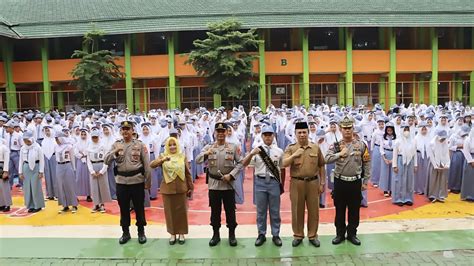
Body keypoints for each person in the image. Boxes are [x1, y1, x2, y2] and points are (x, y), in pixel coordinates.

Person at [196, 122, 243, 247]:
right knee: (215, 211)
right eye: (219, 131)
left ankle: (232, 235)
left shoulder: (233, 147)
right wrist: (206, 153)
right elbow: (197, 159)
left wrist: (231, 175)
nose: (221, 134)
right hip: (214, 185)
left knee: (230, 211)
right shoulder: (209, 147)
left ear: (227, 133)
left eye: (223, 131)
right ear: (215, 133)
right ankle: (215, 234)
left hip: (228, 184)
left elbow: (241, 163)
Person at [104, 121, 151, 245]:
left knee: (139, 208)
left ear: (132, 130)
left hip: (137, 181)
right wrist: (115, 152)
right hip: (121, 182)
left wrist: (148, 182)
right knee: (124, 208)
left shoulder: (140, 145)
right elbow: (106, 160)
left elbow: (147, 165)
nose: (125, 131)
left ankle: (141, 232)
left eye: (127, 129)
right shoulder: (116, 145)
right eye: (123, 129)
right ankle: (125, 233)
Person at [325, 116, 370, 246]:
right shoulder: (337, 145)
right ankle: (340, 234)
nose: (347, 131)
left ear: (353, 128)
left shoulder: (361, 145)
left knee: (354, 210)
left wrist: (366, 181)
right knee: (339, 209)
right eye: (344, 128)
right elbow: (326, 158)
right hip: (340, 182)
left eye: (349, 128)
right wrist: (339, 154)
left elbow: (366, 163)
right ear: (340, 129)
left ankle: (352, 234)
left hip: (355, 182)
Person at [282, 121, 325, 248]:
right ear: (295, 134)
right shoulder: (291, 148)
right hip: (297, 183)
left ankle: (312, 235)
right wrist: (295, 155)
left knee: (314, 211)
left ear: (308, 133)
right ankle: (298, 235)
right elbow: (284, 163)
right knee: (296, 210)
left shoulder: (315, 147)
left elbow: (321, 165)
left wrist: (322, 182)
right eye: (299, 132)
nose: (302, 135)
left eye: (304, 132)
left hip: (313, 182)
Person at [241, 125, 285, 247]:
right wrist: (251, 153)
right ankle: (261, 234)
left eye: (270, 134)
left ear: (273, 136)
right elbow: (244, 164)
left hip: (274, 182)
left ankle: (276, 234)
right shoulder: (257, 150)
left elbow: (282, 168)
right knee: (261, 211)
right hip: (260, 182)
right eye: (265, 135)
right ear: (262, 136)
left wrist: (282, 185)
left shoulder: (279, 151)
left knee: (275, 211)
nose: (268, 137)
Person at [150, 137, 194, 245]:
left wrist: (190, 187)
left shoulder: (182, 156)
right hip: (168, 189)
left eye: (174, 144)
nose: (172, 147)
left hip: (181, 188)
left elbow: (187, 173)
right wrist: (162, 160)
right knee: (169, 212)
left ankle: (182, 233)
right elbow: (152, 165)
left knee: (182, 212)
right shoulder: (163, 156)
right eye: (170, 145)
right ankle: (172, 233)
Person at [19, 131, 45, 213]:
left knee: (35, 187)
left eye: (27, 140)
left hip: (36, 167)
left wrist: (41, 171)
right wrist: (20, 172)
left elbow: (41, 160)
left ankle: (38, 205)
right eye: (25, 140)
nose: (26, 142)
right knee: (27, 188)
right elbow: (21, 161)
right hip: (26, 168)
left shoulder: (37, 147)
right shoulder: (23, 148)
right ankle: (30, 205)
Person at [86, 129, 112, 213]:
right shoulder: (89, 147)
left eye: (96, 137)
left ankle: (102, 204)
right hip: (93, 167)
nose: (94, 139)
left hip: (101, 166)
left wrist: (102, 170)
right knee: (94, 187)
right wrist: (92, 171)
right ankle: (96, 204)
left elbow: (106, 159)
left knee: (102, 186)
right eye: (93, 137)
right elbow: (88, 160)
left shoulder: (103, 146)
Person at [392, 124, 417, 206]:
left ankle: (408, 198)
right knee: (399, 180)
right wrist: (394, 165)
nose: (406, 132)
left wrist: (415, 165)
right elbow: (395, 153)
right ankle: (398, 198)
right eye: (405, 130)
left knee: (409, 180)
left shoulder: (413, 140)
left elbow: (415, 154)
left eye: (408, 130)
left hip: (410, 161)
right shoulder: (398, 141)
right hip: (400, 160)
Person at [55, 131, 79, 214]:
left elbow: (72, 158)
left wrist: (74, 169)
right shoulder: (56, 147)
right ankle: (65, 205)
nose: (56, 140)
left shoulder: (69, 147)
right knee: (61, 186)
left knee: (70, 185)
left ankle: (74, 204)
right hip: (59, 166)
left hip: (67, 165)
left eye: (57, 138)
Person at [427, 130, 450, 203]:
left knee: (442, 180)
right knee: (433, 179)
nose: (443, 140)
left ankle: (440, 195)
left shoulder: (445, 143)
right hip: (434, 163)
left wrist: (447, 164)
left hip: (442, 164)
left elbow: (446, 154)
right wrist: (435, 166)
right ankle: (432, 195)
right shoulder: (432, 143)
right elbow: (431, 156)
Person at [379, 122, 396, 197]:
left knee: (393, 173)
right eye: (388, 130)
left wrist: (393, 159)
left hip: (393, 155)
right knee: (385, 173)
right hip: (385, 155)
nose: (389, 132)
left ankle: (392, 189)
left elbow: (397, 148)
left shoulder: (396, 138)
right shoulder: (383, 137)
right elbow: (381, 148)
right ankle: (385, 189)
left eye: (391, 130)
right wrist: (384, 158)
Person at [461, 128, 474, 201]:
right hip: (470, 159)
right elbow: (466, 151)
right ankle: (468, 195)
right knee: (469, 178)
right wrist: (471, 161)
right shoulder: (468, 139)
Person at [0, 139, 11, 212]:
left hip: (2, 166)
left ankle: (7, 204)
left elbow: (7, 160)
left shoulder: (4, 147)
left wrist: (6, 171)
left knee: (5, 187)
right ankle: (1, 204)